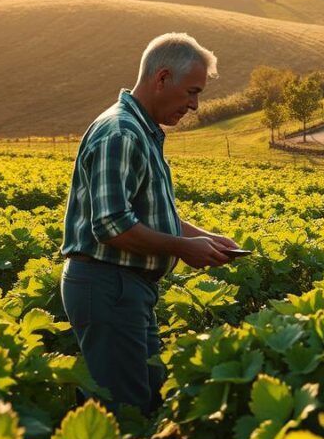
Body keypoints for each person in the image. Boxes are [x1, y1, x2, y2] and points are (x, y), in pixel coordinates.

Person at [59, 32, 240, 415]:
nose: (194, 105)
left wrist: (206, 238)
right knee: (124, 411)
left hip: (127, 288)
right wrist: (182, 248)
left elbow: (150, 215)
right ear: (161, 79)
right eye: (192, 92)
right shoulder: (122, 133)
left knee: (147, 398)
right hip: (108, 285)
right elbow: (111, 224)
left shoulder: (140, 130)